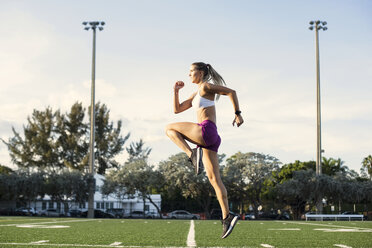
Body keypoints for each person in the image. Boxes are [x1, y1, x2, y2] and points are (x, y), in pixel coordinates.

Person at [165, 62, 244, 239]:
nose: (188, 75)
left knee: (169, 128)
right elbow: (177, 110)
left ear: (200, 73)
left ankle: (191, 154)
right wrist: (176, 91)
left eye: (191, 71)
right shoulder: (196, 93)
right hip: (210, 139)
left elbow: (231, 92)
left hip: (205, 131)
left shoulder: (206, 86)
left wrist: (237, 113)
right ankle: (227, 216)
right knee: (215, 180)